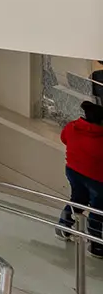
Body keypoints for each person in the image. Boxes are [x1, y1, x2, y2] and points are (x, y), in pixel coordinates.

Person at [59, 100, 103, 254]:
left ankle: (64, 225)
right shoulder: (100, 138)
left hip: (73, 171)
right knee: (98, 209)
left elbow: (64, 139)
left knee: (78, 199)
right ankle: (96, 243)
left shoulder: (72, 127)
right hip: (98, 180)